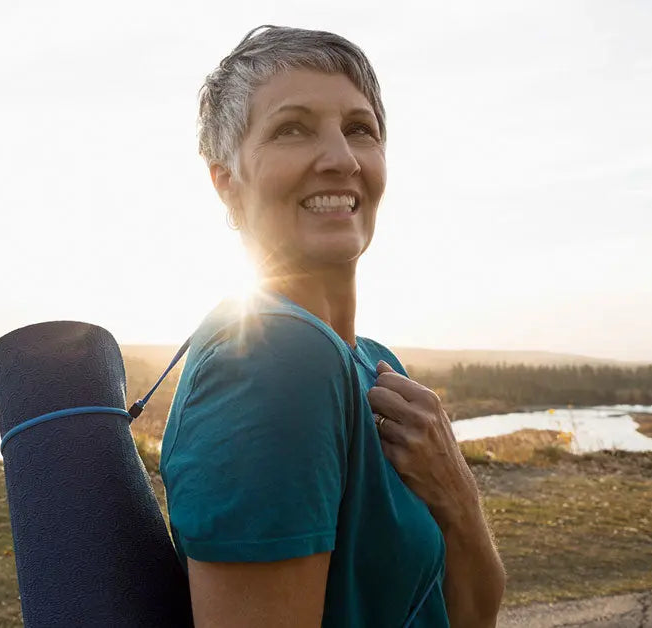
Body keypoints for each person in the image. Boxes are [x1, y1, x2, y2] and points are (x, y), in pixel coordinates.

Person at [159, 25, 506, 627]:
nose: (342, 159)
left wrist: (458, 497)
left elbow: (471, 615)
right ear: (227, 182)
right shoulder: (271, 359)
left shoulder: (375, 363)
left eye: (359, 129)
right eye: (292, 129)